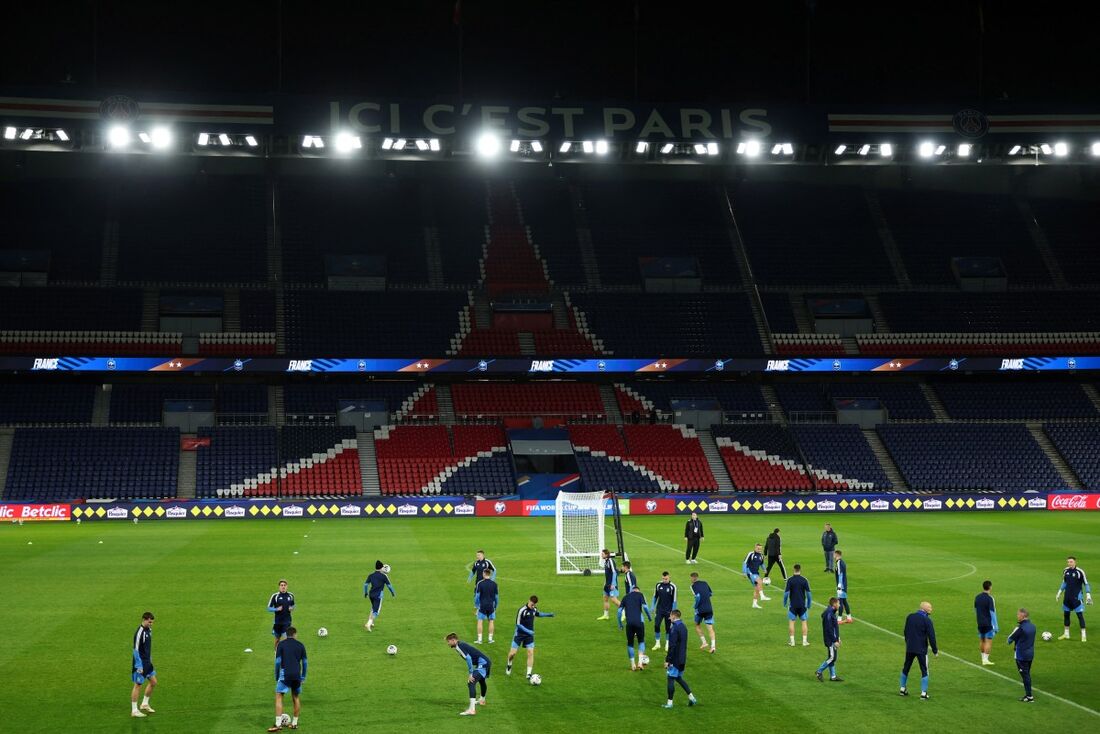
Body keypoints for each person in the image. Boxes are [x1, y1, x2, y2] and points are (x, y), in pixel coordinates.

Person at [268, 626, 307, 732]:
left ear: (286, 635)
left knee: (279, 696)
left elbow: (277, 662)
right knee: (295, 697)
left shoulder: (281, 644)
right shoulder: (300, 645)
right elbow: (305, 662)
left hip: (285, 674)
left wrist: (277, 675)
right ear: (295, 634)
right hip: (297, 675)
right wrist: (303, 676)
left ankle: (278, 724)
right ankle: (294, 723)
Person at [506, 595, 554, 679]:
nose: (533, 606)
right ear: (529, 601)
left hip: (529, 636)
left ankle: (528, 674)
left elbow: (538, 614)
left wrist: (548, 614)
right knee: (512, 654)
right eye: (532, 604)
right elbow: (518, 624)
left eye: (534, 605)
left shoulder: (534, 609)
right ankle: (509, 664)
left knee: (530, 653)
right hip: (519, 634)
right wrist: (528, 631)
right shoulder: (522, 610)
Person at [900, 601, 938, 700]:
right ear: (924, 608)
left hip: (910, 648)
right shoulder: (927, 620)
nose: (931, 609)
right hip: (921, 649)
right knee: (924, 670)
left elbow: (906, 631)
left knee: (906, 667)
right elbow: (932, 637)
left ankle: (902, 689)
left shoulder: (910, 617)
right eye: (930, 607)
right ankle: (923, 693)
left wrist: (908, 643)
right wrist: (935, 650)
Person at [446, 633, 491, 716]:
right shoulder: (460, 644)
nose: (448, 644)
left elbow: (469, 658)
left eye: (448, 642)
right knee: (481, 680)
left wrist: (471, 673)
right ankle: (482, 700)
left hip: (483, 663)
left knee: (471, 682)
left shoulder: (459, 646)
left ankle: (472, 710)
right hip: (485, 661)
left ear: (453, 640)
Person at [662, 610, 698, 708]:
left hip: (675, 659)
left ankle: (669, 703)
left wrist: (668, 660)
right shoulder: (683, 626)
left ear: (674, 616)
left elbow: (672, 646)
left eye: (670, 616)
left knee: (670, 678)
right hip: (682, 658)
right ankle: (692, 698)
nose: (669, 617)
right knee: (678, 678)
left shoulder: (674, 628)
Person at [1057, 556, 1091, 641]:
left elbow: (1086, 583)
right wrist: (1059, 592)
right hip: (1067, 597)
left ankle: (1083, 635)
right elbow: (1064, 582)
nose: (1069, 563)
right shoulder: (1065, 570)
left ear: (1075, 562)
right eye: (1068, 562)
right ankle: (1066, 634)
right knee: (1066, 615)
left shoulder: (1080, 572)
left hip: (1077, 598)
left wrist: (1088, 595)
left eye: (1071, 562)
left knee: (1080, 616)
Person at [619, 585, 653, 670]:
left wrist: (620, 624)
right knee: (641, 641)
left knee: (630, 644)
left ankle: (633, 665)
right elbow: (645, 607)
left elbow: (619, 611)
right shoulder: (640, 595)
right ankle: (640, 663)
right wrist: (649, 617)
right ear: (638, 590)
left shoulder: (625, 597)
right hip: (639, 623)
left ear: (631, 590)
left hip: (629, 623)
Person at [130, 612, 157, 718]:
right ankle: (134, 710)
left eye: (152, 622)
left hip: (147, 662)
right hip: (140, 664)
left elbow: (147, 647)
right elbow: (135, 650)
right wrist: (139, 666)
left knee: (153, 682)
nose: (151, 624)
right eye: (149, 622)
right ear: (144, 620)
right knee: (138, 685)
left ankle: (144, 704)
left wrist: (150, 659)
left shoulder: (149, 630)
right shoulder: (139, 633)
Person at [1007, 608, 1037, 702]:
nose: (1017, 616)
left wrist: (1015, 632)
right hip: (1030, 654)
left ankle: (1029, 697)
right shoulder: (1033, 626)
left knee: (1025, 675)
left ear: (1022, 616)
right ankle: (1028, 695)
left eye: (1018, 614)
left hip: (1021, 655)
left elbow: (1009, 640)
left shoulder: (1020, 628)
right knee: (1026, 673)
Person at [783, 564, 812, 647]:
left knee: (791, 622)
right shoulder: (804, 580)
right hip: (802, 605)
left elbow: (786, 593)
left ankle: (792, 642)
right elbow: (809, 594)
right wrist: (809, 604)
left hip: (793, 605)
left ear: (794, 569)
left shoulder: (790, 580)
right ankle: (804, 641)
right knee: (804, 622)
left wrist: (784, 602)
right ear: (800, 570)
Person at [815, 598, 843, 682]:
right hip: (830, 639)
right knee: (832, 657)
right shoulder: (829, 613)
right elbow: (829, 629)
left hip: (833, 638)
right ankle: (819, 671)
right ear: (834, 604)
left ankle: (833, 676)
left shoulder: (831, 612)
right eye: (838, 603)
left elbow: (834, 627)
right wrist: (834, 640)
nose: (839, 605)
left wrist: (838, 638)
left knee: (832, 657)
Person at [363, 560, 396, 632]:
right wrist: (393, 593)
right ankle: (368, 624)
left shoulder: (371, 575)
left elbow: (365, 585)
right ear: (381, 568)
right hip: (378, 596)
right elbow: (389, 586)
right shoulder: (384, 576)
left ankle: (371, 622)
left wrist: (365, 593)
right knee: (376, 612)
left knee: (373, 608)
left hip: (371, 594)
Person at [974, 580, 999, 665]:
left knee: (982, 640)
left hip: (980, 622)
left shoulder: (977, 597)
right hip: (988, 623)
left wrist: (978, 620)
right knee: (988, 640)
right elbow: (992, 612)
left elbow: (975, 610)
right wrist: (996, 626)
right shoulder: (990, 598)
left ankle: (982, 659)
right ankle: (985, 660)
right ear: (990, 587)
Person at [690, 572, 716, 653]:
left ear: (692, 578)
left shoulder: (692, 586)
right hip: (709, 608)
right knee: (710, 628)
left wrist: (695, 606)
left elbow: (697, 596)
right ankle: (713, 646)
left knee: (697, 625)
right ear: (697, 577)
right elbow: (711, 593)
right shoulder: (705, 583)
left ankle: (704, 642)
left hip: (700, 610)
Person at [652, 571, 678, 651]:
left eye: (666, 579)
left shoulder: (673, 587)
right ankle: (657, 643)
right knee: (656, 625)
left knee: (668, 628)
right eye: (663, 579)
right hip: (659, 610)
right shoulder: (658, 585)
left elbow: (674, 601)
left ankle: (667, 643)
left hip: (668, 611)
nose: (664, 580)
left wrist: (673, 613)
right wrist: (652, 606)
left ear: (669, 577)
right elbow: (655, 597)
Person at [267, 579, 295, 651]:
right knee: (277, 639)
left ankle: (285, 654)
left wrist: (292, 608)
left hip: (287, 621)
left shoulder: (291, 595)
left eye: (284, 585)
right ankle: (276, 652)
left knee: (286, 639)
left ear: (287, 586)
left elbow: (293, 605)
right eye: (281, 585)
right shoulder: (275, 596)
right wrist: (276, 609)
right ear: (279, 587)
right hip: (278, 622)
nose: (283, 587)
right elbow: (268, 608)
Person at [474, 568, 499, 644]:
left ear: (484, 574)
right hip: (491, 605)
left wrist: (476, 605)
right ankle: (490, 639)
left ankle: (480, 640)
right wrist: (496, 606)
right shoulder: (494, 584)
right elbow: (496, 597)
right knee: (491, 621)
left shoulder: (480, 583)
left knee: (480, 621)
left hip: (482, 605)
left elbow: (477, 596)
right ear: (490, 574)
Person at [743, 542, 770, 608]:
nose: (759, 550)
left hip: (756, 573)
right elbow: (745, 563)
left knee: (757, 588)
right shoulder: (751, 554)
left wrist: (764, 569)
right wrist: (744, 572)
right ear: (755, 548)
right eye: (758, 548)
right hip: (750, 572)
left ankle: (754, 604)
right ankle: (762, 596)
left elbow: (761, 563)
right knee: (760, 581)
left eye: (760, 549)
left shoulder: (761, 556)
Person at [596, 549, 620, 620]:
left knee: (614, 600)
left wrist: (613, 584)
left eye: (603, 554)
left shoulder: (610, 561)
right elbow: (607, 574)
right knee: (605, 599)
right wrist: (605, 583)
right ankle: (606, 615)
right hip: (606, 584)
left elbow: (614, 572)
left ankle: (625, 613)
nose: (601, 555)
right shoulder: (606, 562)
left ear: (606, 555)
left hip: (611, 585)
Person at [834, 550, 852, 624]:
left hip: (841, 586)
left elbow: (840, 574)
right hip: (844, 584)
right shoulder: (842, 562)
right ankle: (849, 618)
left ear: (837, 555)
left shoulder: (839, 562)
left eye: (834, 554)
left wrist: (839, 586)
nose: (833, 555)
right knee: (844, 601)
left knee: (840, 602)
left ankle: (839, 619)